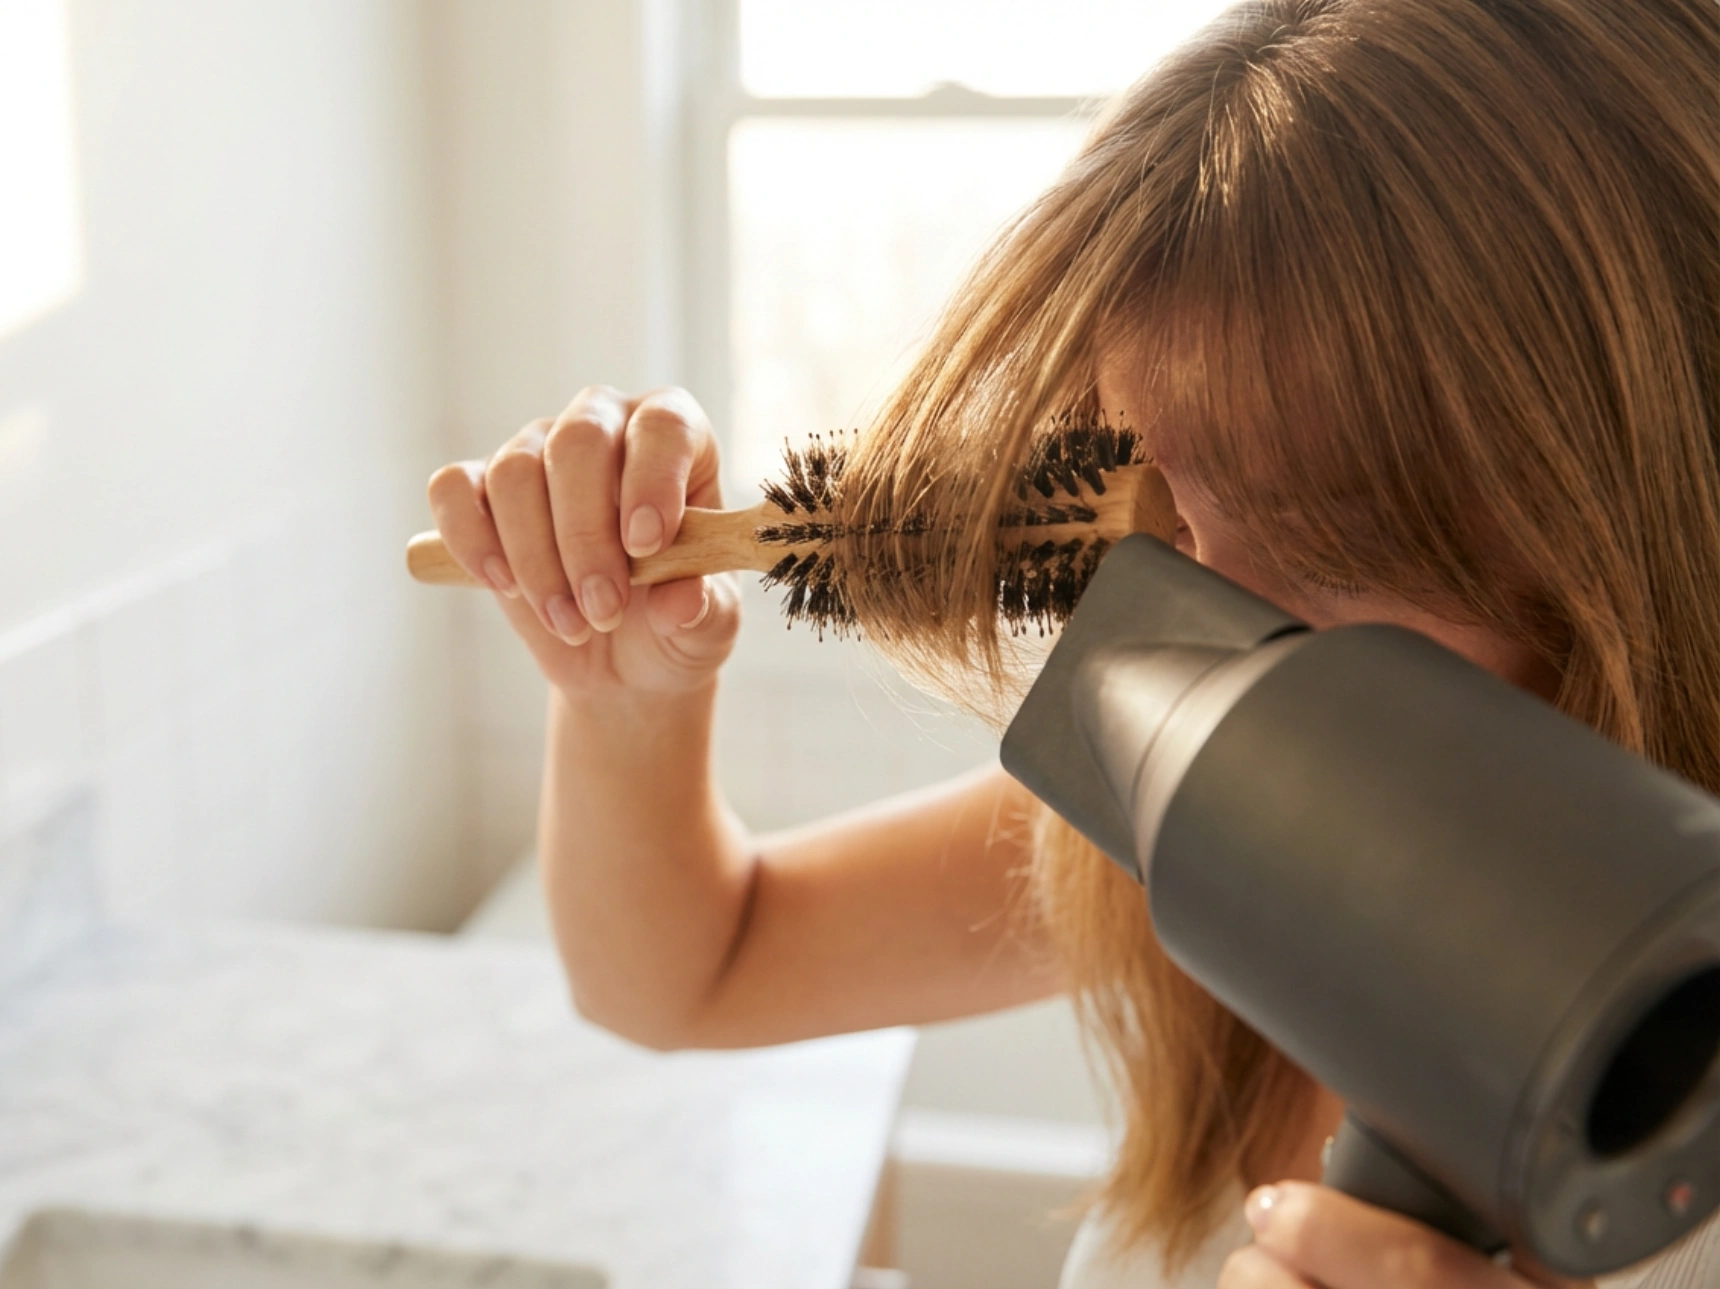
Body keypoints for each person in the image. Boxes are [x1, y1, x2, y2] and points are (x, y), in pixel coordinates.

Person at [425, 1, 1720, 1285]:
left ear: (1629, 517)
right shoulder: (1208, 827)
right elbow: (692, 970)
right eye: (1167, 501)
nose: (1203, 621)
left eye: (1328, 534)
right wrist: (621, 696)